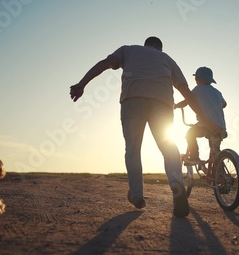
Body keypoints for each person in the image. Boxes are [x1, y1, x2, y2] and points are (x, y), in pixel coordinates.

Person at [70, 36, 220, 218]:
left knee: (133, 148)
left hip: (133, 99)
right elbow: (185, 91)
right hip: (162, 102)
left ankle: (137, 194)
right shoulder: (167, 59)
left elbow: (105, 63)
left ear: (146, 45)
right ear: (160, 48)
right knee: (168, 145)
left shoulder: (128, 50)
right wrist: (206, 120)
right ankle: (177, 184)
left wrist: (82, 84)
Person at [175, 67, 227, 163]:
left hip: (205, 125)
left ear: (197, 79)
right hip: (221, 127)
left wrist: (175, 106)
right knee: (215, 151)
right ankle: (219, 171)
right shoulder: (217, 92)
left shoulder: (197, 90)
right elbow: (224, 104)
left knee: (189, 134)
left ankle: (194, 156)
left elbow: (187, 101)